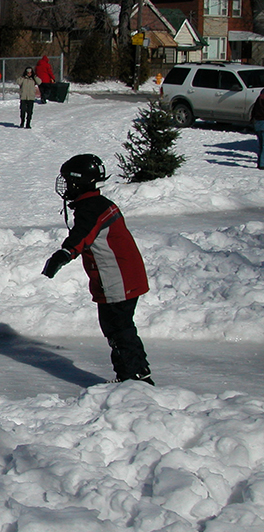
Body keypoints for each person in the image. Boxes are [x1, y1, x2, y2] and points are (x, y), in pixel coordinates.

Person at [41, 154, 153, 385]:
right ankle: (132, 375)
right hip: (120, 276)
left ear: (77, 182)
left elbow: (82, 235)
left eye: (67, 180)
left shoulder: (91, 209)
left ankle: (135, 378)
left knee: (119, 329)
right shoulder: (96, 203)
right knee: (117, 328)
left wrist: (63, 255)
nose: (64, 186)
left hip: (117, 279)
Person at [251, 88, 264, 171]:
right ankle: (262, 164)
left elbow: (253, 112)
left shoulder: (258, 100)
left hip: (257, 123)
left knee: (261, 145)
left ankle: (260, 162)